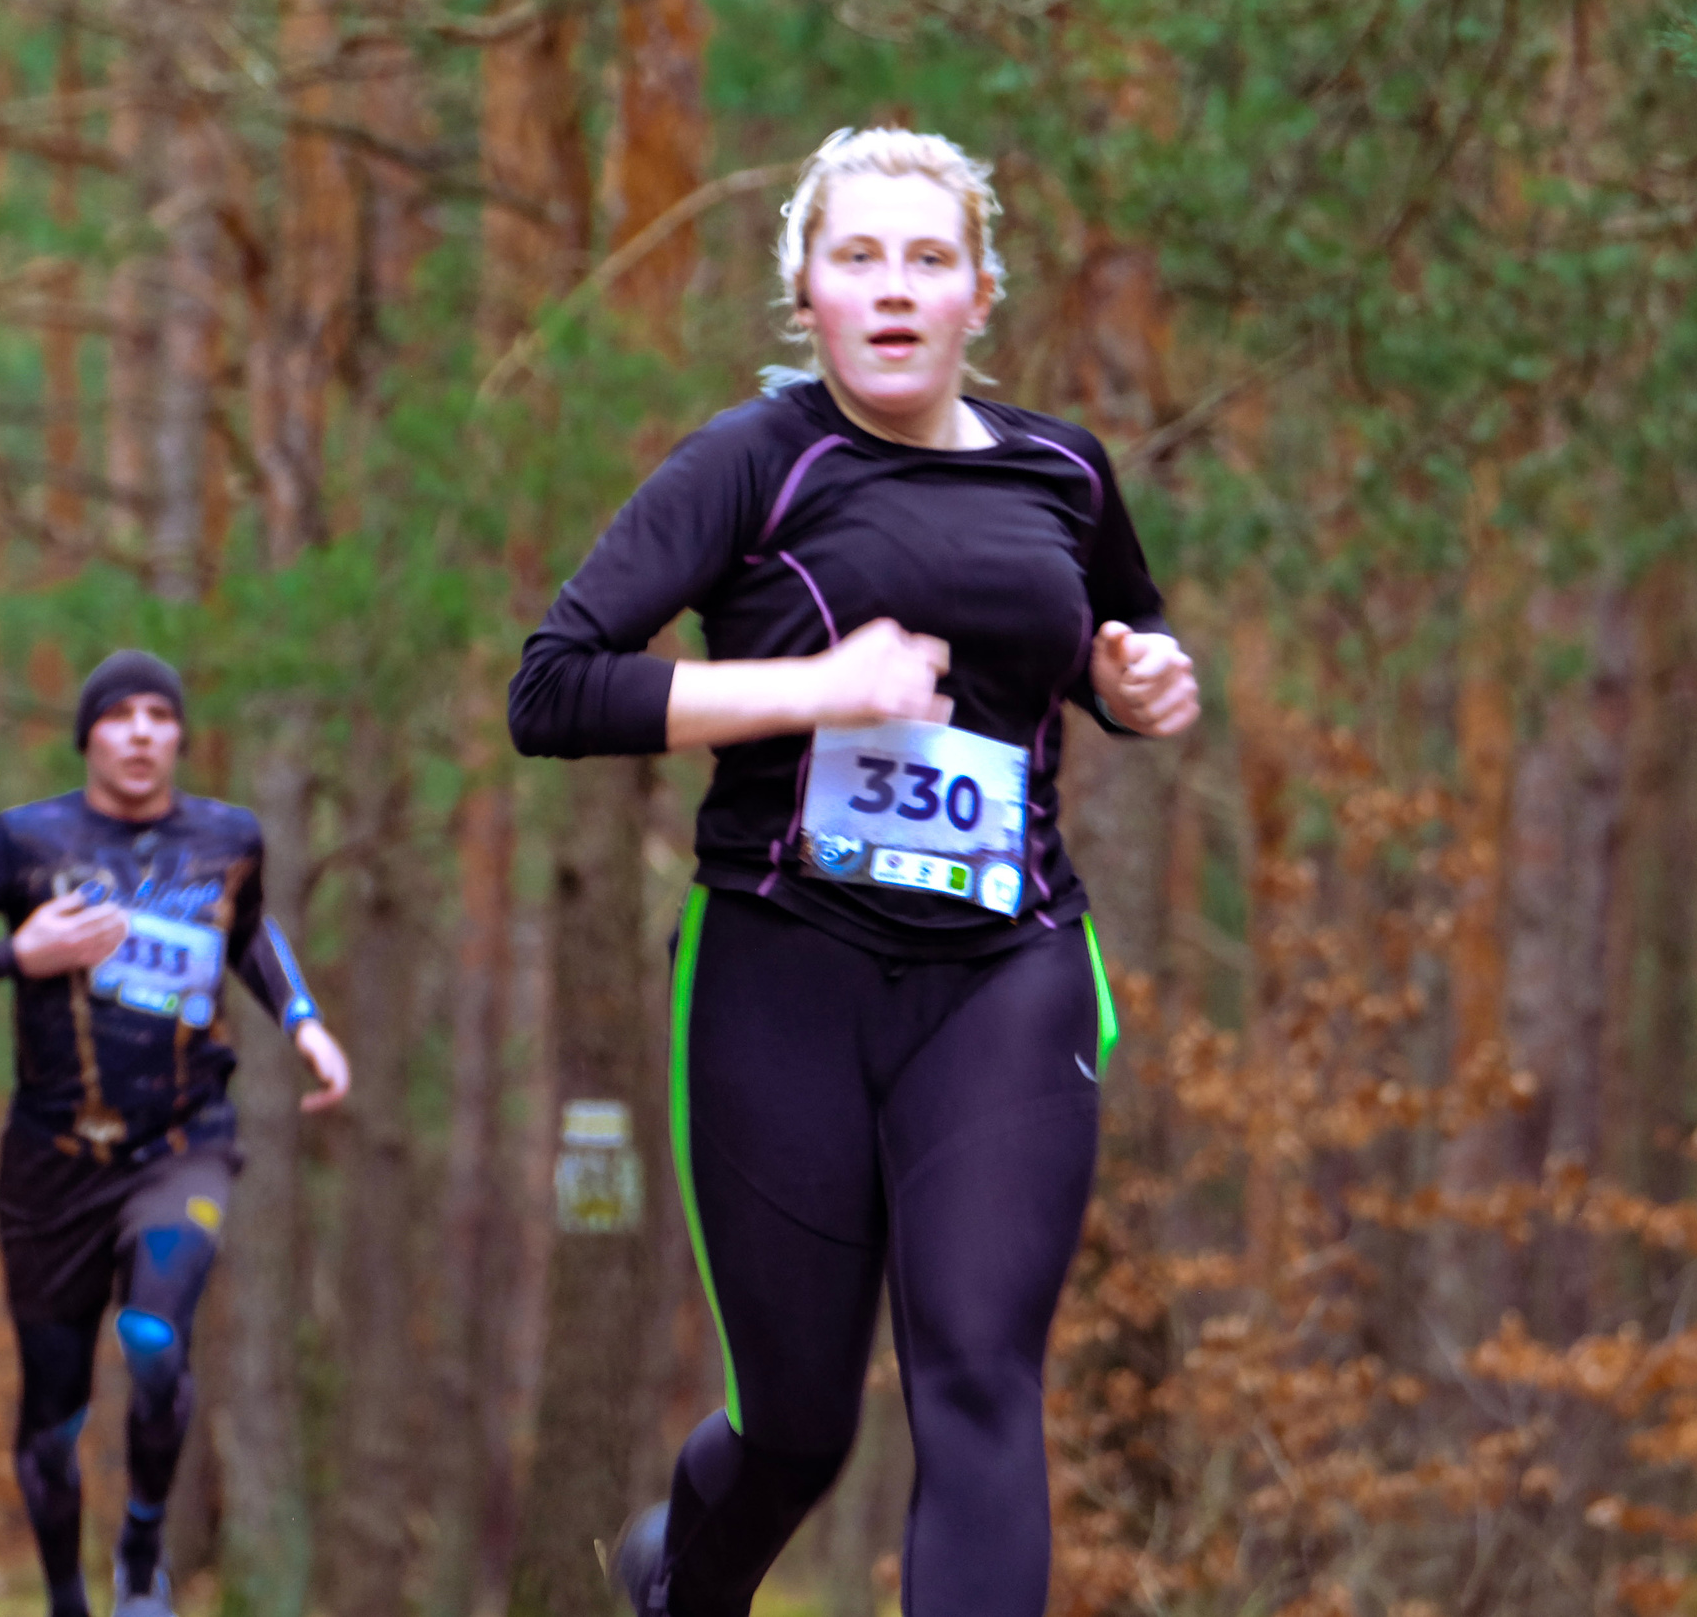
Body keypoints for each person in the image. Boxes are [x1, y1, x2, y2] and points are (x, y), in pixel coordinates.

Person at [509, 127, 1200, 1617]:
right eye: (859, 258)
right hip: (779, 965)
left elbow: (1107, 642)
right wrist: (808, 689)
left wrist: (1133, 680)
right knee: (802, 1423)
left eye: (928, 259)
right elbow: (552, 687)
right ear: (807, 297)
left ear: (980, 293)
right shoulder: (753, 461)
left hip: (1007, 969)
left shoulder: (1063, 470)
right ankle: (679, 1580)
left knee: (978, 1375)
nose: (895, 289)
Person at [0, 650, 351, 1617]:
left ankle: (142, 1547)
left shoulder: (229, 839)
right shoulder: (22, 842)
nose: (141, 731)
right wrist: (19, 952)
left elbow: (250, 933)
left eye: (159, 714)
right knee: (52, 1430)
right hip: (51, 1168)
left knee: (151, 1336)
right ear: (89, 736)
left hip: (183, 1144)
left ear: (178, 734)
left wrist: (305, 1023)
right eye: (119, 714)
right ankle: (66, 1598)